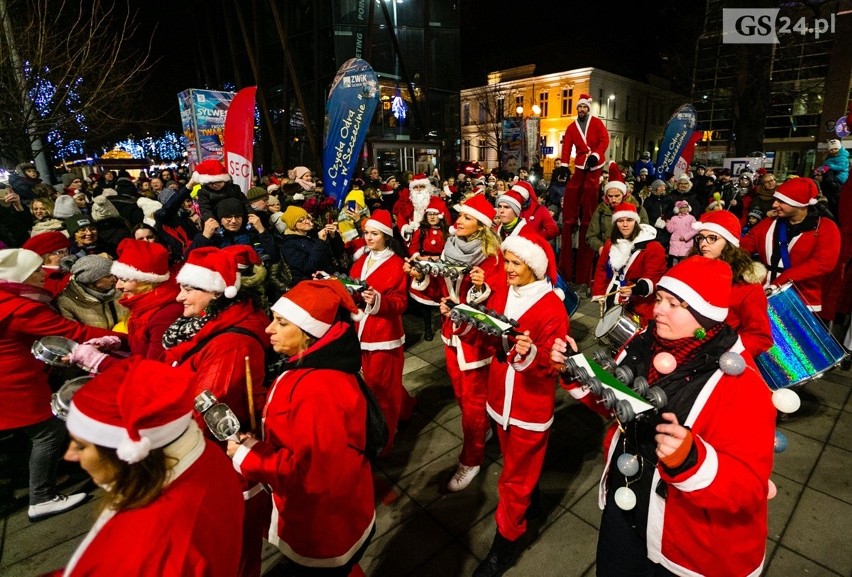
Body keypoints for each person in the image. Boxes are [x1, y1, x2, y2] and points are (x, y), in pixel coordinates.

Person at [552, 256, 776, 577]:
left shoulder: (740, 384)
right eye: (659, 299)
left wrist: (691, 459)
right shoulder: (644, 345)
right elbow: (619, 405)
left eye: (674, 304)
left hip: (686, 541)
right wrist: (577, 371)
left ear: (703, 316)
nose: (657, 310)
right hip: (626, 505)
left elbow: (750, 486)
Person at [227, 280, 375, 575]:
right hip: (333, 511)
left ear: (309, 333)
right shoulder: (312, 369)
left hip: (323, 521)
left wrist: (246, 455)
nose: (269, 329)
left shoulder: (317, 389)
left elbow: (310, 470)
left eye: (281, 323)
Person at [62, 357, 244, 576]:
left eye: (81, 446)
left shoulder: (142, 554)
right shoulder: (205, 455)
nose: (69, 455)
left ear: (127, 453)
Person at [162, 245, 271, 577]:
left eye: (189, 288)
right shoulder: (210, 328)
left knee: (228, 556)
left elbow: (204, 412)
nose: (179, 297)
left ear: (219, 293)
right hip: (214, 464)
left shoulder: (230, 344)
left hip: (221, 468)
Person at [473, 228, 569, 577]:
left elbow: (555, 363)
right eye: (507, 261)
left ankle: (505, 545)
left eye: (515, 262)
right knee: (517, 467)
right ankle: (533, 501)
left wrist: (532, 353)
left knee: (512, 480)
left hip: (530, 406)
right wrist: (467, 320)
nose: (508, 268)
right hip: (500, 401)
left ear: (533, 265)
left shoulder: (551, 307)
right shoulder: (502, 293)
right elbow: (490, 342)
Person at [0, 249, 118, 522]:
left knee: (26, 437)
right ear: (22, 277)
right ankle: (42, 498)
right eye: (37, 271)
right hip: (15, 384)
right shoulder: (19, 308)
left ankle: (37, 480)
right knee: (48, 433)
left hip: (12, 382)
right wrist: (124, 339)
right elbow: (72, 333)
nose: (43, 274)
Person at [409, 194, 505, 492]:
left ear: (481, 226)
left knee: (474, 403)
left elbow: (499, 303)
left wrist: (479, 290)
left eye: (466, 217)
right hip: (451, 335)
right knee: (463, 398)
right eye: (459, 216)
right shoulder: (451, 249)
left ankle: (471, 460)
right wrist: (420, 275)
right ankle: (483, 431)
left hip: (476, 341)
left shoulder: (493, 258)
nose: (458, 221)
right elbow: (437, 289)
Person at [68, 239, 182, 370]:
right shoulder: (144, 306)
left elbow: (151, 370)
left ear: (146, 281)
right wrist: (117, 342)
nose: (118, 286)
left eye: (124, 280)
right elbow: (143, 344)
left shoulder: (165, 315)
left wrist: (98, 361)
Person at [349, 210, 409, 453]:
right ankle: (403, 411)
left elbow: (400, 303)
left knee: (382, 388)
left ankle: (385, 436)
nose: (369, 238)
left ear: (385, 235)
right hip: (361, 331)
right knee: (375, 384)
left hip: (384, 335)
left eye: (374, 233)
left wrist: (378, 301)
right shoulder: (361, 260)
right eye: (366, 233)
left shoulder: (396, 265)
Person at [740, 177, 841, 314]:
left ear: (799, 204)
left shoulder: (826, 227)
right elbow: (744, 246)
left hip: (802, 300)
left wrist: (783, 279)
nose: (774, 204)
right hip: (764, 295)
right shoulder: (768, 223)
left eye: (781, 201)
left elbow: (823, 263)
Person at [689, 210, 773, 356]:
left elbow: (760, 336)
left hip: (719, 357)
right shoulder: (690, 271)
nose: (703, 243)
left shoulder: (747, 286)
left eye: (712, 238)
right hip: (685, 350)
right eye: (701, 238)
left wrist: (727, 352)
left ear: (729, 243)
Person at [559, 94, 610, 284]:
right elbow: (567, 146)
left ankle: (587, 214)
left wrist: (596, 155)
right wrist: (564, 165)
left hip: (594, 164)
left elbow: (604, 140)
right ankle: (571, 214)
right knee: (573, 188)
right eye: (579, 108)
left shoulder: (597, 123)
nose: (581, 110)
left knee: (590, 190)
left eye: (584, 108)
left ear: (588, 109)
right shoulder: (572, 127)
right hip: (580, 163)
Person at [591, 203, 666, 326]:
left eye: (629, 220)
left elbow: (655, 276)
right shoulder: (610, 244)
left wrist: (635, 289)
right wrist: (599, 293)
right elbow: (602, 269)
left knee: (634, 336)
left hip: (638, 300)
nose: (625, 225)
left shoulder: (652, 247)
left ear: (636, 221)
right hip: (612, 294)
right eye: (620, 221)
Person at [407, 197, 449, 341]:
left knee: (443, 299)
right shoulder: (422, 230)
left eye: (435, 214)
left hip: (441, 269)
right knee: (424, 300)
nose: (432, 217)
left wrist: (440, 259)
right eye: (429, 214)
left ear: (441, 215)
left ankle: (446, 327)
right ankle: (427, 328)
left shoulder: (446, 231)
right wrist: (420, 258)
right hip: (425, 268)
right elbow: (413, 247)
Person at [57, 255, 127, 330]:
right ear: (90, 279)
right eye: (108, 276)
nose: (115, 279)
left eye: (114, 275)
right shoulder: (67, 303)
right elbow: (74, 333)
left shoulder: (119, 292)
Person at [276, 205, 337, 285]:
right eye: (301, 220)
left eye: (307, 218)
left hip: (331, 276)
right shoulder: (288, 245)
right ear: (293, 225)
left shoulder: (313, 233)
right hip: (312, 284)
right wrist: (321, 242)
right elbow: (308, 266)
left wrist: (333, 236)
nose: (308, 221)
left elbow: (337, 253)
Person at [21, 231, 72, 297]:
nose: (65, 255)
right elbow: (58, 290)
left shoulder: (66, 267)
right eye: (60, 252)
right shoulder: (41, 275)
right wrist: (74, 274)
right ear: (45, 256)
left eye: (66, 251)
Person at [665, 200, 697, 265]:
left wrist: (685, 237)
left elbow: (695, 230)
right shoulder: (674, 218)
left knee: (684, 262)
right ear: (678, 209)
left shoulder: (691, 218)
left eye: (686, 207)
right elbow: (670, 230)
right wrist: (668, 223)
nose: (685, 209)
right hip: (675, 243)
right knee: (675, 262)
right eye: (682, 207)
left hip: (686, 243)